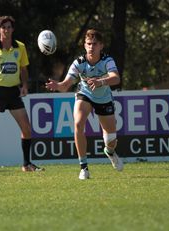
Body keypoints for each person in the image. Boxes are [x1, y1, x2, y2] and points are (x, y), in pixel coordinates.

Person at [45, 29, 123, 180]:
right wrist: (58, 85)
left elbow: (116, 78)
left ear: (101, 46)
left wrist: (100, 82)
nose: (91, 47)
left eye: (95, 44)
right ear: (84, 45)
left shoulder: (107, 60)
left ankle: (110, 151)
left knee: (111, 139)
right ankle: (84, 168)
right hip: (85, 94)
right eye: (88, 44)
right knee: (78, 124)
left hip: (104, 98)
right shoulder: (79, 63)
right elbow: (66, 84)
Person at [0, 15, 44, 173]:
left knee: (26, 128)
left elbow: (24, 69)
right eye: (3, 27)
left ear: (13, 29)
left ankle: (26, 164)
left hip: (13, 92)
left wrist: (24, 85)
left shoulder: (20, 47)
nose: (6, 30)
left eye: (9, 27)